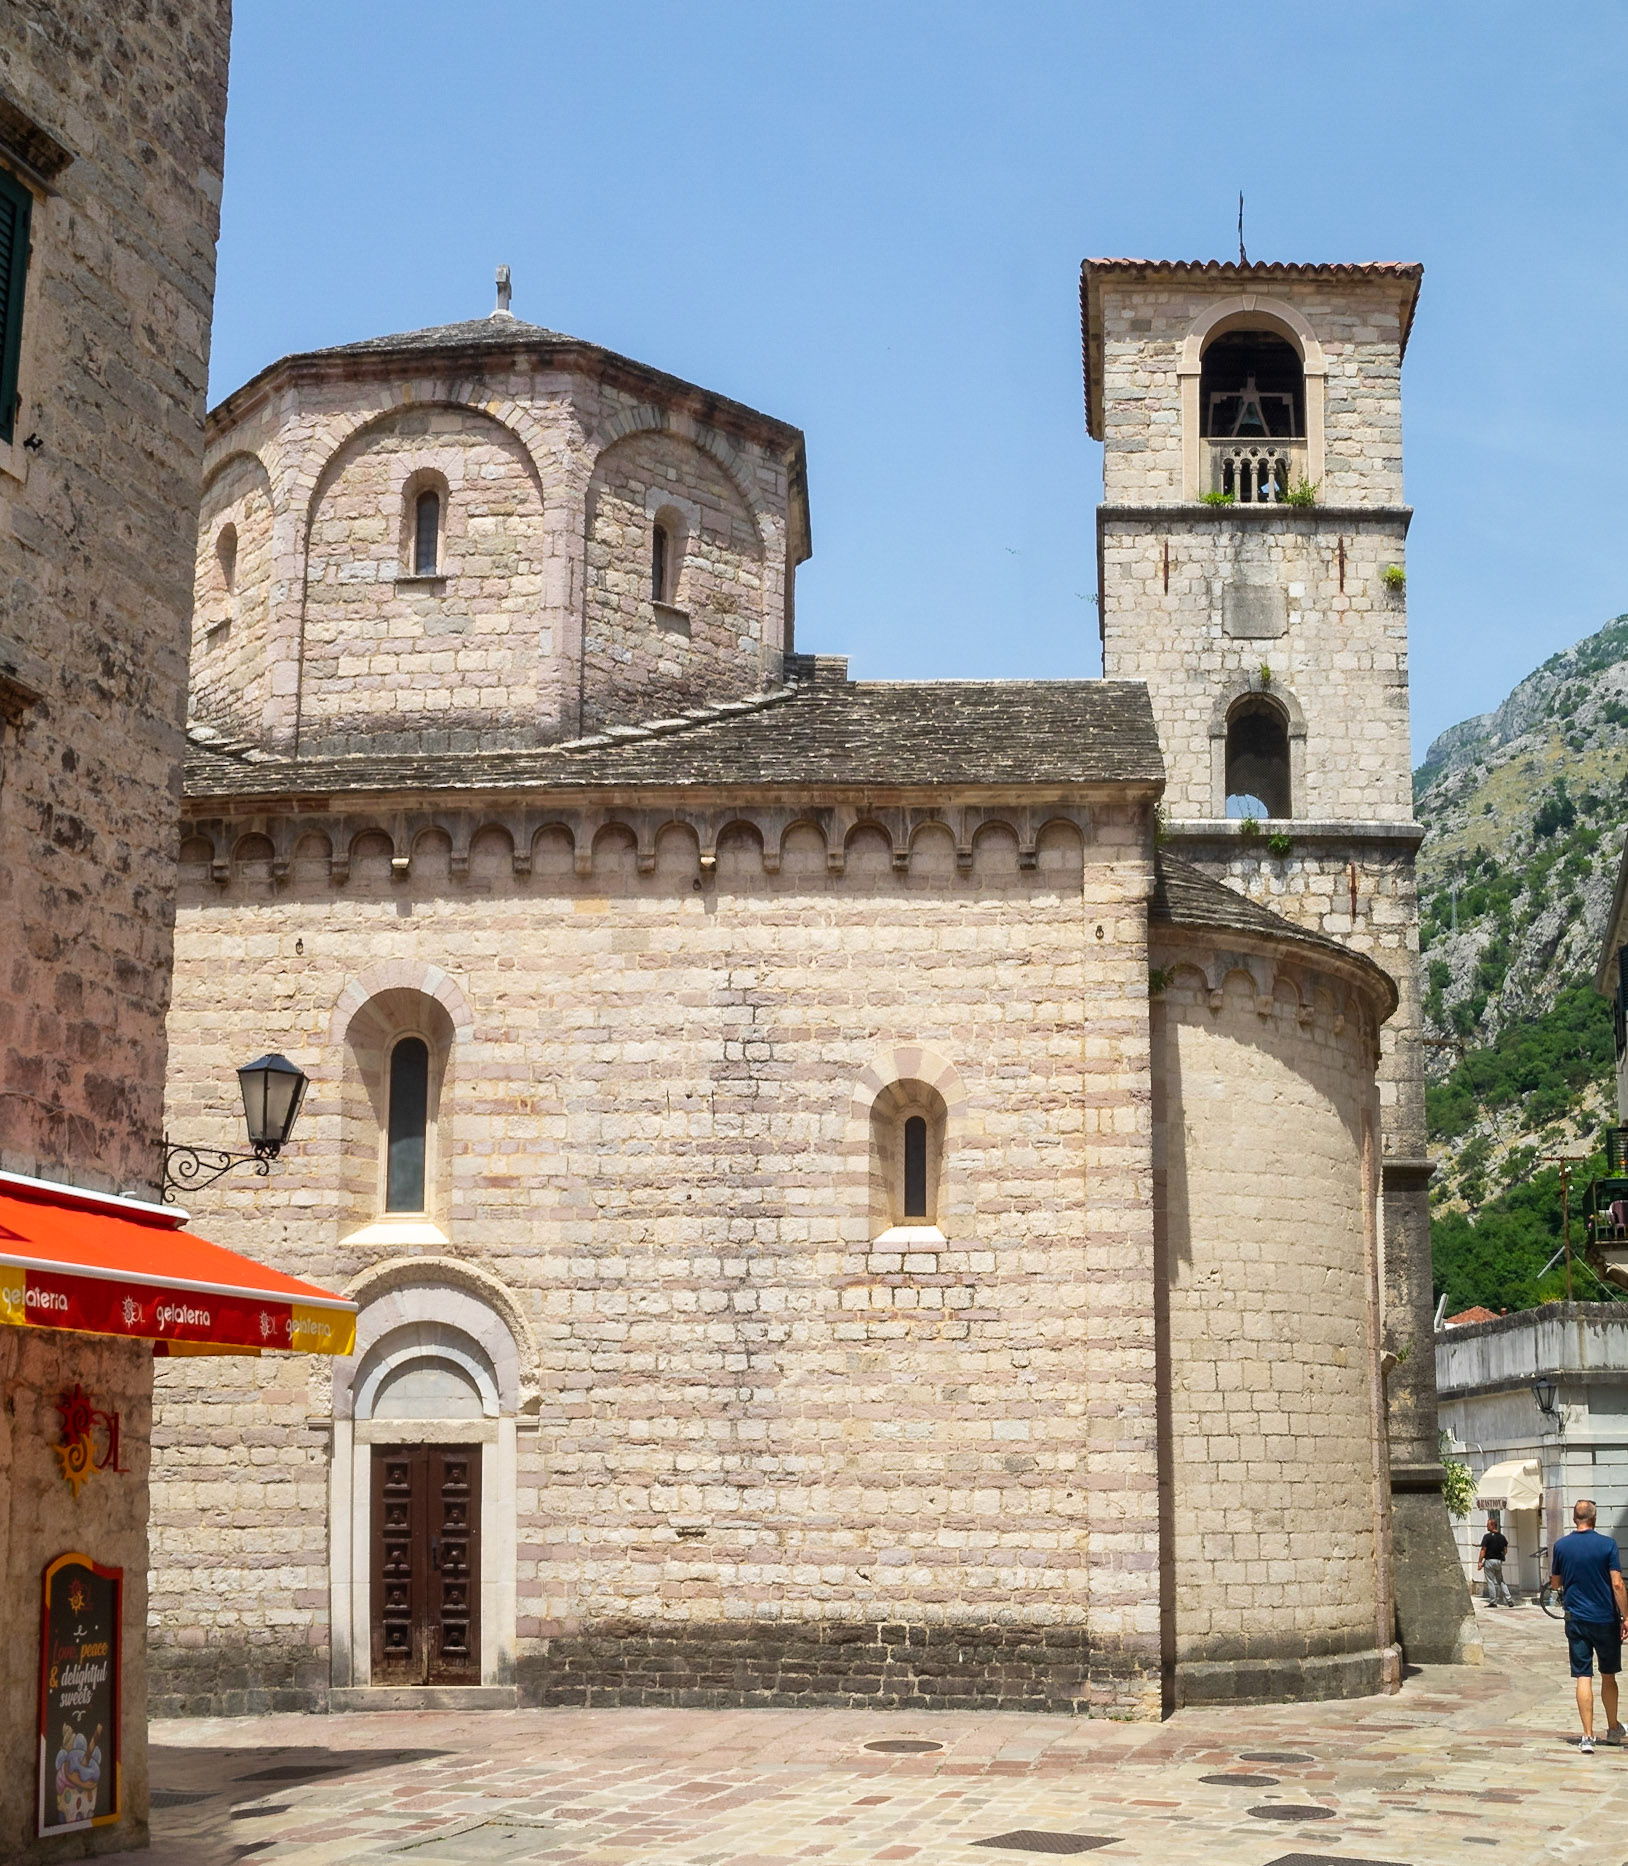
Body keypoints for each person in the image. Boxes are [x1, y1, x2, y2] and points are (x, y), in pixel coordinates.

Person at [1546, 1498, 1628, 1753]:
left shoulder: (1561, 1546)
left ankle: (1587, 1736)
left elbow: (1555, 1583)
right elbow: (1617, 1583)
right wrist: (1626, 1616)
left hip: (1576, 1618)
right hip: (1604, 1618)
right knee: (1608, 1674)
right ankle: (1613, 1728)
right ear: (1594, 1519)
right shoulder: (1607, 1545)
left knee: (1583, 1674)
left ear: (1574, 1519)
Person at [1477, 1515, 1514, 1607]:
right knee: (1501, 1581)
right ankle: (1509, 1599)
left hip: (1489, 1561)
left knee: (1490, 1581)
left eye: (1488, 1525)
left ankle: (1493, 1601)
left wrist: (1480, 1562)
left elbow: (1483, 1550)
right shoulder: (1502, 1537)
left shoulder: (1487, 1537)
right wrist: (1500, 1556)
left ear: (1493, 1525)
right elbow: (1505, 1550)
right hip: (1498, 1561)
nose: (1487, 1527)